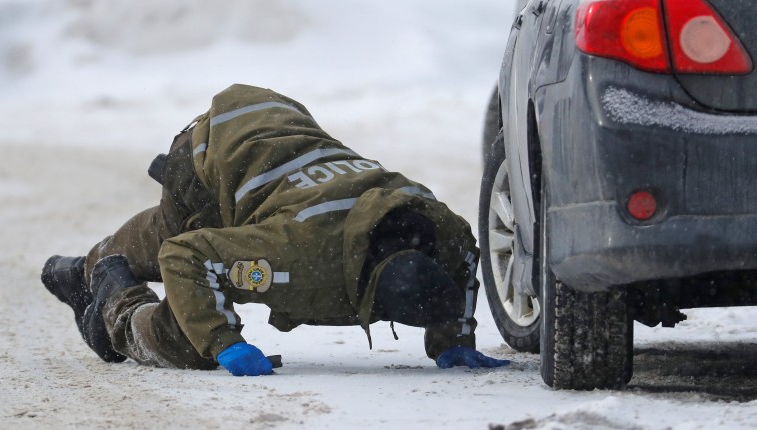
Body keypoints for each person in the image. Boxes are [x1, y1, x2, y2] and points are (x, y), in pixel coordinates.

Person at [41, 84, 509, 376]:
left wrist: (453, 339)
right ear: (368, 299)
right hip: (212, 154)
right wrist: (224, 342)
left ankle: (80, 268)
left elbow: (465, 260)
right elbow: (186, 256)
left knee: (184, 231)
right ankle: (107, 299)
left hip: (273, 134)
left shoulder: (441, 230)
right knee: (190, 331)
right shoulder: (301, 255)